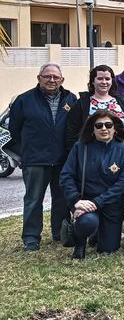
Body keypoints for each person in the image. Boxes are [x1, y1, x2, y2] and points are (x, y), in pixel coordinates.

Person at [8, 63, 77, 251]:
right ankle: (31, 239)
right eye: (47, 76)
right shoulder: (24, 100)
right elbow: (14, 129)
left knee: (62, 199)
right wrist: (27, 151)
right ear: (39, 78)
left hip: (63, 160)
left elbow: (74, 127)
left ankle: (59, 234)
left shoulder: (71, 98)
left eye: (56, 77)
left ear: (62, 80)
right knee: (33, 199)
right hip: (35, 160)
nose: (52, 80)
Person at [59, 110, 124, 259]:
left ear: (115, 128)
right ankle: (80, 243)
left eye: (108, 125)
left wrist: (97, 202)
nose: (104, 129)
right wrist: (76, 201)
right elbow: (66, 176)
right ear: (92, 129)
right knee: (88, 221)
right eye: (98, 125)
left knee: (108, 250)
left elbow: (122, 185)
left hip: (111, 205)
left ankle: (97, 233)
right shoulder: (80, 148)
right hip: (84, 202)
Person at [65, 64, 124, 153]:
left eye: (107, 79)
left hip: (120, 155)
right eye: (100, 78)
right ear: (93, 81)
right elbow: (71, 132)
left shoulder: (121, 102)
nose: (104, 82)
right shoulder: (82, 103)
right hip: (91, 155)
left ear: (112, 81)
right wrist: (77, 155)